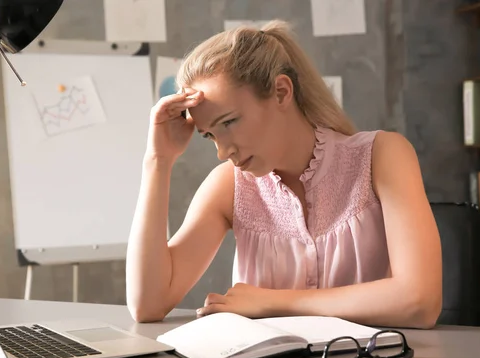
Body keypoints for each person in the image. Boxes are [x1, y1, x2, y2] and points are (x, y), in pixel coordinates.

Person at [125, 20, 442, 329]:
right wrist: (158, 159)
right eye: (209, 135)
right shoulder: (228, 186)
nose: (223, 151)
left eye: (230, 122)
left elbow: (420, 301)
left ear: (280, 91)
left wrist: (274, 302)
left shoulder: (383, 156)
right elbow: (147, 304)